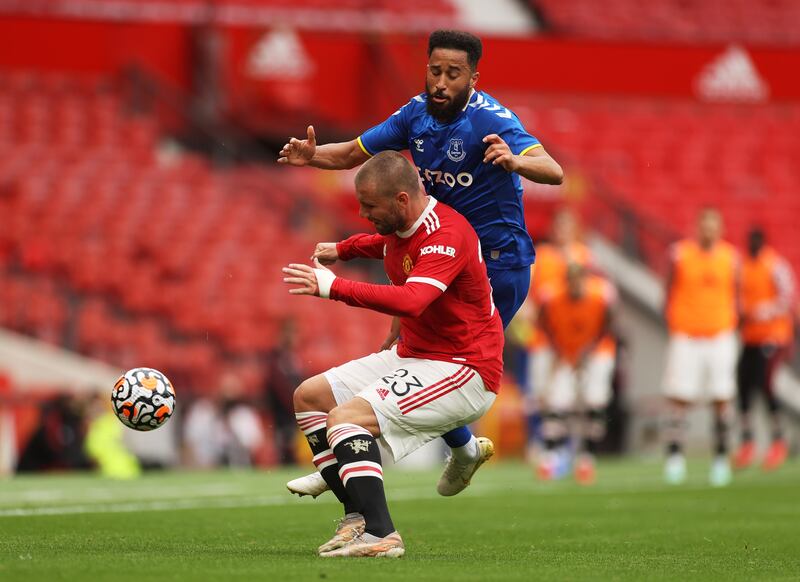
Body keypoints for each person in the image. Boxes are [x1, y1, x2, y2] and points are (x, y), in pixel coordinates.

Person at [279, 29, 562, 496]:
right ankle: (434, 450)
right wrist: (313, 158)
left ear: (473, 77)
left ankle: (359, 448)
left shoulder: (492, 120)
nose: (441, 82)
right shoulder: (415, 116)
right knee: (403, 354)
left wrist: (514, 161)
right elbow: (351, 153)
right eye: (435, 71)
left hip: (496, 265)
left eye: (453, 74)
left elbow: (554, 170)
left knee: (435, 360)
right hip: (435, 253)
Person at [282, 151, 504, 557]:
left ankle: (382, 535)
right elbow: (386, 242)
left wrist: (334, 286)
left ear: (401, 200)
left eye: (370, 205)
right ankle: (357, 520)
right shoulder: (405, 226)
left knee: (346, 419)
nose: (363, 213)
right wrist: (344, 248)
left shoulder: (447, 234)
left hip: (463, 368)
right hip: (415, 354)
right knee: (310, 398)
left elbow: (414, 299)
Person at [662, 208, 739, 486]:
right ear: (697, 227)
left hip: (720, 334)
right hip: (686, 334)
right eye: (704, 225)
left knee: (721, 399)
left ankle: (720, 458)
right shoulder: (680, 254)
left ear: (721, 229)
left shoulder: (730, 257)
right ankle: (674, 458)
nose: (708, 230)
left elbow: (737, 293)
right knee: (678, 399)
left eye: (713, 225)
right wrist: (673, 320)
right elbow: (668, 288)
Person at [519, 208, 595, 458]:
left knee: (569, 392)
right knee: (540, 391)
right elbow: (531, 290)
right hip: (544, 335)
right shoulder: (543, 255)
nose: (562, 232)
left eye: (567, 226)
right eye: (559, 226)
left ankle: (566, 442)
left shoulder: (583, 255)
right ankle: (539, 440)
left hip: (571, 338)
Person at [535, 265, 616, 485]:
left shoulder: (599, 298)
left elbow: (608, 327)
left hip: (597, 353)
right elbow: (544, 324)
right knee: (557, 401)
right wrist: (560, 351)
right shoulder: (554, 300)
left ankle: (587, 459)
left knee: (594, 401)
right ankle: (550, 457)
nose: (576, 285)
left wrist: (587, 353)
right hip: (567, 352)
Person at [734, 227, 796, 471]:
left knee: (766, 385)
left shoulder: (775, 265)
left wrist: (764, 310)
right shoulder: (743, 267)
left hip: (773, 336)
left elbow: (787, 297)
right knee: (743, 387)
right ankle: (747, 442)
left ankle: (778, 440)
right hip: (749, 337)